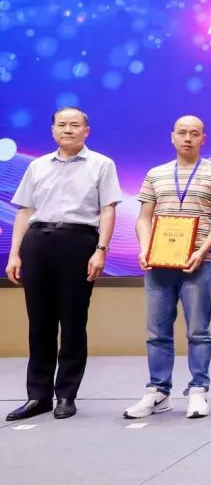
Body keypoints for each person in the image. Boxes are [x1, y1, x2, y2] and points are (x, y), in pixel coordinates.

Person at [5, 107, 122, 421]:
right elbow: (24, 211)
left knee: (72, 321)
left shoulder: (101, 164)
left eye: (74, 125)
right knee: (39, 322)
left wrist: (101, 250)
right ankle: (38, 396)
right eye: (61, 124)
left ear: (86, 130)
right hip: (38, 241)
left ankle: (66, 394)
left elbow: (108, 210)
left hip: (79, 241)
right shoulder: (37, 165)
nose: (68, 130)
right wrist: (15, 253)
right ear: (52, 130)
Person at [124, 115, 211, 419]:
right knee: (156, 331)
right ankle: (158, 392)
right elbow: (144, 218)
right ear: (172, 137)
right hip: (158, 264)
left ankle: (198, 390)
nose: (188, 138)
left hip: (198, 263)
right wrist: (145, 248)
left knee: (198, 330)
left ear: (203, 139)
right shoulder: (156, 174)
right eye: (182, 133)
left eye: (194, 133)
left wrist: (202, 250)